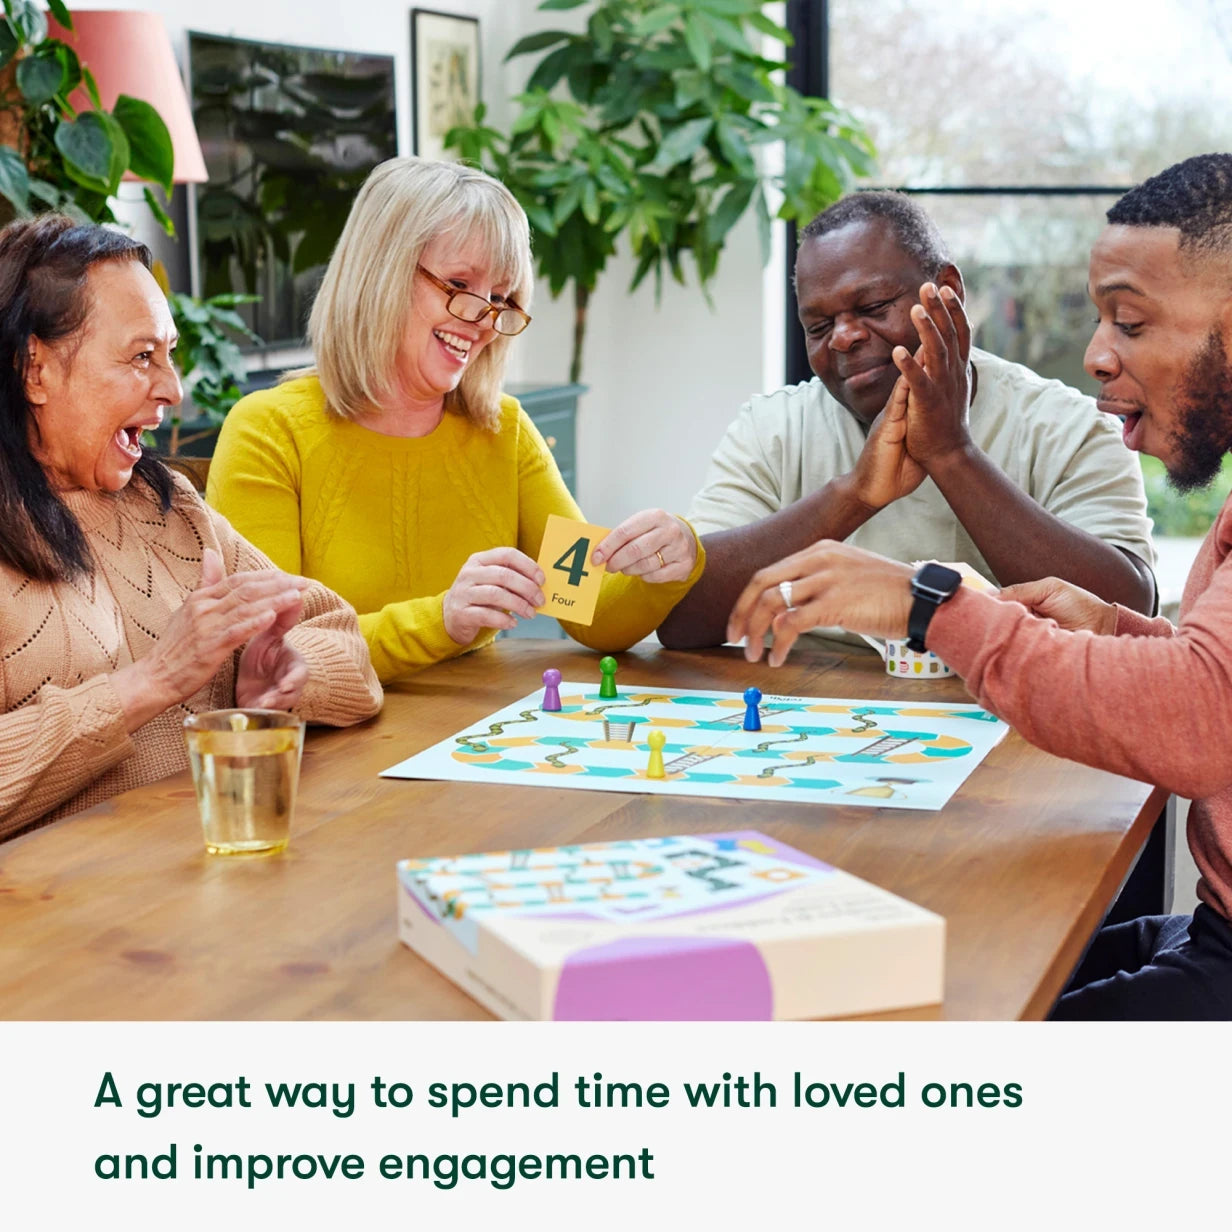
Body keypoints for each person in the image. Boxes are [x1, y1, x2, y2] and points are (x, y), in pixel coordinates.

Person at [726, 154, 1232, 1020]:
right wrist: (1114, 630)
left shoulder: (1054, 418)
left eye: (1131, 322)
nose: (1097, 354)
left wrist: (929, 605)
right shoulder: (774, 421)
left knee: (938, 1044)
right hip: (1212, 925)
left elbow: (1199, 720)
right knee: (925, 980)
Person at [207, 158, 704, 684]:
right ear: (382, 272)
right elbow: (269, 656)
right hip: (325, 750)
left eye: (499, 298)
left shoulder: (503, 431)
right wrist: (441, 620)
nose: (482, 321)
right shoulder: (268, 430)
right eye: (460, 284)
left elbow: (590, 607)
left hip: (467, 740)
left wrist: (672, 562)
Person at [0, 216, 382, 843]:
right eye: (141, 357)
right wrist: (152, 682)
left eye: (169, 355)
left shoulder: (170, 504)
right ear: (34, 369)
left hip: (211, 883)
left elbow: (343, 641)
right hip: (59, 923)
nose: (172, 389)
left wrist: (286, 678)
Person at [658, 191, 1156, 649]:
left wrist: (951, 452)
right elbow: (679, 620)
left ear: (947, 292)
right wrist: (853, 494)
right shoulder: (772, 429)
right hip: (818, 706)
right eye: (819, 326)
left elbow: (1127, 618)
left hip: (1006, 718)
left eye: (872, 306)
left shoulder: (1066, 426)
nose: (844, 337)